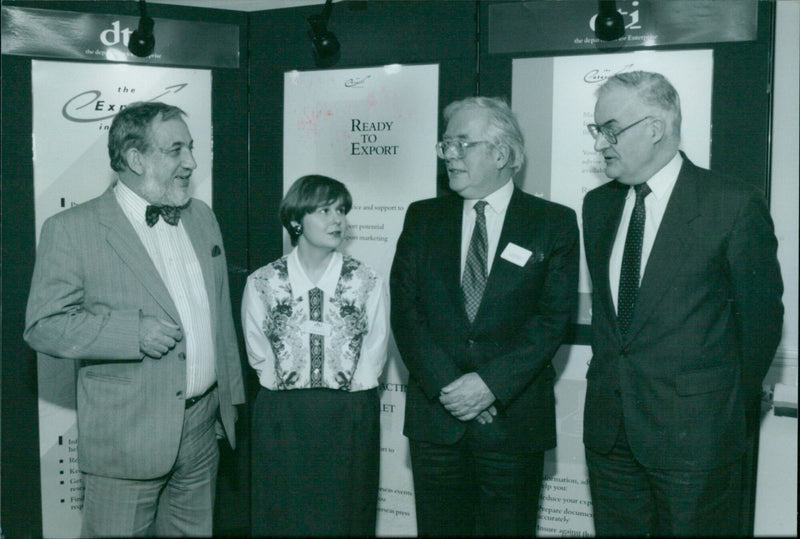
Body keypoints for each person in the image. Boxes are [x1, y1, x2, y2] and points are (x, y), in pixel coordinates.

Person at [24, 101, 245, 537]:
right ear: (135, 158)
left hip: (202, 432)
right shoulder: (71, 228)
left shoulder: (202, 217)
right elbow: (43, 324)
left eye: (191, 148)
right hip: (127, 439)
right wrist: (132, 332)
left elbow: (219, 316)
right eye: (176, 150)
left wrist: (226, 406)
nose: (192, 162)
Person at [581, 71, 784, 536]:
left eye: (610, 129)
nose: (600, 145)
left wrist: (714, 404)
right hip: (610, 435)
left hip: (695, 439)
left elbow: (761, 324)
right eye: (597, 131)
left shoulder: (731, 205)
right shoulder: (598, 207)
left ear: (654, 128)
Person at [390, 96, 579, 536]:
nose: (450, 155)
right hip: (437, 421)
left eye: (462, 143)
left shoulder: (553, 222)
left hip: (513, 423)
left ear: (501, 153)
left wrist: (489, 386)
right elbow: (405, 311)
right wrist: (452, 389)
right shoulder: (422, 218)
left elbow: (552, 320)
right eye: (446, 144)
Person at [241, 175, 390, 536]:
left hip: (349, 414)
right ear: (296, 220)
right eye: (324, 210)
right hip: (283, 416)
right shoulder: (263, 281)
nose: (336, 220)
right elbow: (258, 352)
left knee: (346, 516)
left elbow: (376, 349)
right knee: (283, 515)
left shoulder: (366, 280)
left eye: (341, 210)